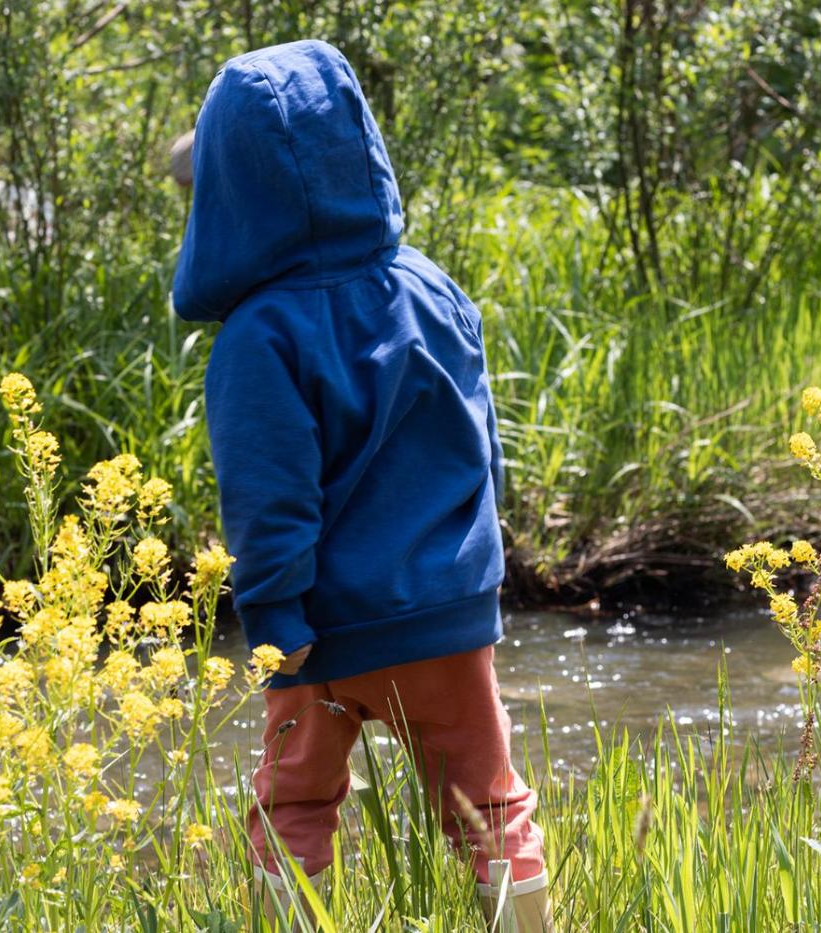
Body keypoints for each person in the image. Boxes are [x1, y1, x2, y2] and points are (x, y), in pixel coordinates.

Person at [171, 39, 553, 932]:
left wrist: (274, 618)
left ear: (230, 198)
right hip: (447, 611)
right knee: (490, 806)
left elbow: (269, 497)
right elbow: (481, 443)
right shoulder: (432, 288)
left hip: (322, 628)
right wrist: (477, 572)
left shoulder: (258, 335)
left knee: (295, 805)